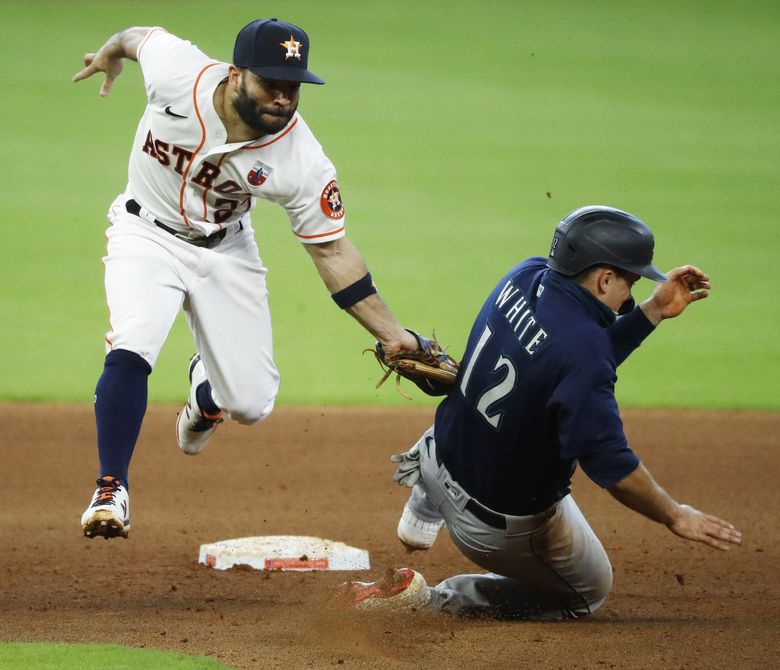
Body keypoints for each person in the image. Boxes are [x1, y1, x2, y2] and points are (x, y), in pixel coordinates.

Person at [74, 19, 421, 539]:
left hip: (228, 250)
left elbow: (332, 251)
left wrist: (392, 335)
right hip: (143, 233)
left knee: (251, 403)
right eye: (271, 83)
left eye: (293, 86)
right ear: (235, 75)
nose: (283, 98)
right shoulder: (177, 73)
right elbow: (137, 36)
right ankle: (111, 488)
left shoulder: (300, 158)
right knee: (134, 341)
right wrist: (111, 52)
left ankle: (206, 389)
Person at [339, 206, 742, 617]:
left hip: (439, 449)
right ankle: (427, 601)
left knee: (496, 412)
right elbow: (615, 469)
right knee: (588, 591)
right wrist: (676, 516)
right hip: (489, 524)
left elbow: (569, 358)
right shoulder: (584, 352)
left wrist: (653, 310)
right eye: (631, 281)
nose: (631, 294)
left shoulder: (524, 275)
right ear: (604, 278)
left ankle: (424, 502)